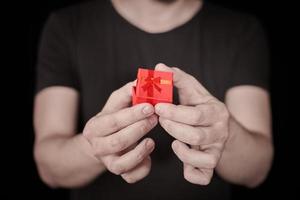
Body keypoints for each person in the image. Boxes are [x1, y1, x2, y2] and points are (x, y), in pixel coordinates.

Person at [33, 0, 273, 199]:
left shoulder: (242, 30)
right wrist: (97, 147)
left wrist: (226, 132)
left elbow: (257, 171)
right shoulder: (66, 25)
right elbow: (48, 168)